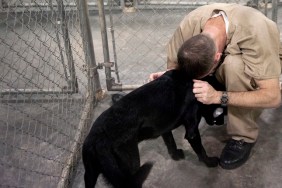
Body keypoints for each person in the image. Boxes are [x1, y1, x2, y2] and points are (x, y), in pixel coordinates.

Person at [149, 3, 282, 169]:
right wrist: (168, 76)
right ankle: (225, 106)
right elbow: (175, 66)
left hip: (256, 63)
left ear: (216, 57)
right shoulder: (190, 25)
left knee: (234, 66)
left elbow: (273, 97)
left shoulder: (257, 31)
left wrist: (217, 97)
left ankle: (243, 136)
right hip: (222, 60)